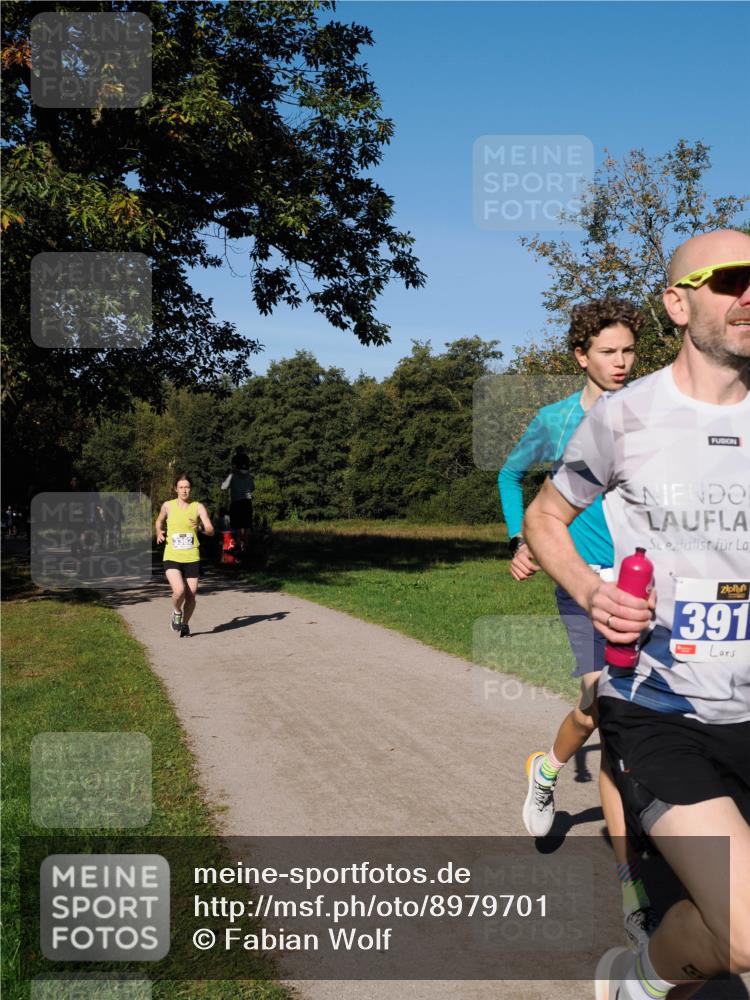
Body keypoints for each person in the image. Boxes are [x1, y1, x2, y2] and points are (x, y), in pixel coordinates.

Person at [523, 230, 750, 999]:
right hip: (662, 707)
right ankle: (640, 977)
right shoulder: (625, 418)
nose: (749, 294)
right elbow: (544, 519)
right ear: (677, 304)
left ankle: (647, 978)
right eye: (729, 280)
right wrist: (592, 593)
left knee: (729, 932)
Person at [499, 298, 655, 948]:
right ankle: (632, 883)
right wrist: (524, 537)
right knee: (609, 706)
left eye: (629, 351)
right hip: (582, 576)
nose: (622, 363)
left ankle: (546, 766)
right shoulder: (556, 419)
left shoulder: (652, 413)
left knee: (614, 712)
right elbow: (512, 476)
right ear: (581, 357)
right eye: (609, 352)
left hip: (646, 575)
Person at [155, 473, 214, 638]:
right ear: (175, 489)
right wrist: (158, 531)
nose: (184, 490)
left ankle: (186, 624)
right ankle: (176, 611)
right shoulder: (168, 505)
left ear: (191, 489)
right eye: (181, 487)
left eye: (187, 487)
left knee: (191, 595)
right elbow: (159, 521)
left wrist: (200, 528)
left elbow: (211, 530)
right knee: (179, 590)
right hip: (172, 555)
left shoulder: (198, 507)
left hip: (192, 556)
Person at [221, 447, 254, 556]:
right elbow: (253, 487)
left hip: (236, 502)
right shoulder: (249, 476)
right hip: (247, 502)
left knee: (237, 526)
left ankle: (239, 548)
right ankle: (247, 547)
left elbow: (223, 487)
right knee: (247, 525)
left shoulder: (233, 475)